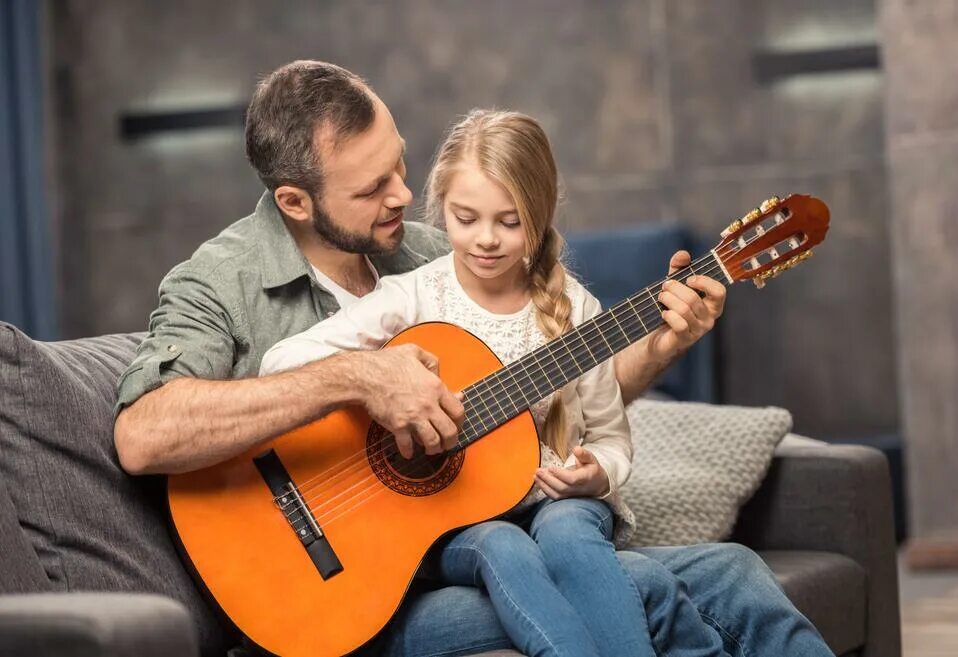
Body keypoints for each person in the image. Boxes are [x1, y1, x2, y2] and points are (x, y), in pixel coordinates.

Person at [113, 60, 833, 657]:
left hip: (482, 532)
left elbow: (568, 384)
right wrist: (358, 377)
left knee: (734, 573)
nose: (404, 196)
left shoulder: (435, 251)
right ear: (296, 202)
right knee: (636, 589)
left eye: (399, 165)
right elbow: (144, 435)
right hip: (344, 586)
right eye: (372, 188)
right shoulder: (221, 281)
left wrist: (659, 346)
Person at [259, 108, 732, 657]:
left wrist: (597, 473)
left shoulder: (576, 309)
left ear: (541, 214)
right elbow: (281, 362)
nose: (485, 239)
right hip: (455, 520)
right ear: (441, 206)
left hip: (557, 500)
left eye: (509, 223)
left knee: (568, 532)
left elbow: (610, 436)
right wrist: (371, 378)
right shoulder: (414, 297)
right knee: (501, 543)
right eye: (465, 218)